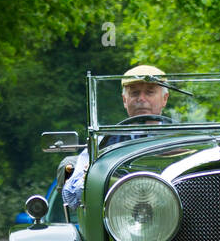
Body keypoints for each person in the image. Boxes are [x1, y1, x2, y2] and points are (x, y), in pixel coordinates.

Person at [62, 65, 170, 209]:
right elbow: (70, 195)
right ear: (125, 100)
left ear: (165, 99)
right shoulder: (102, 143)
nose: (141, 99)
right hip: (117, 220)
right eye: (135, 93)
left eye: (149, 93)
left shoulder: (183, 139)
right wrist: (90, 178)